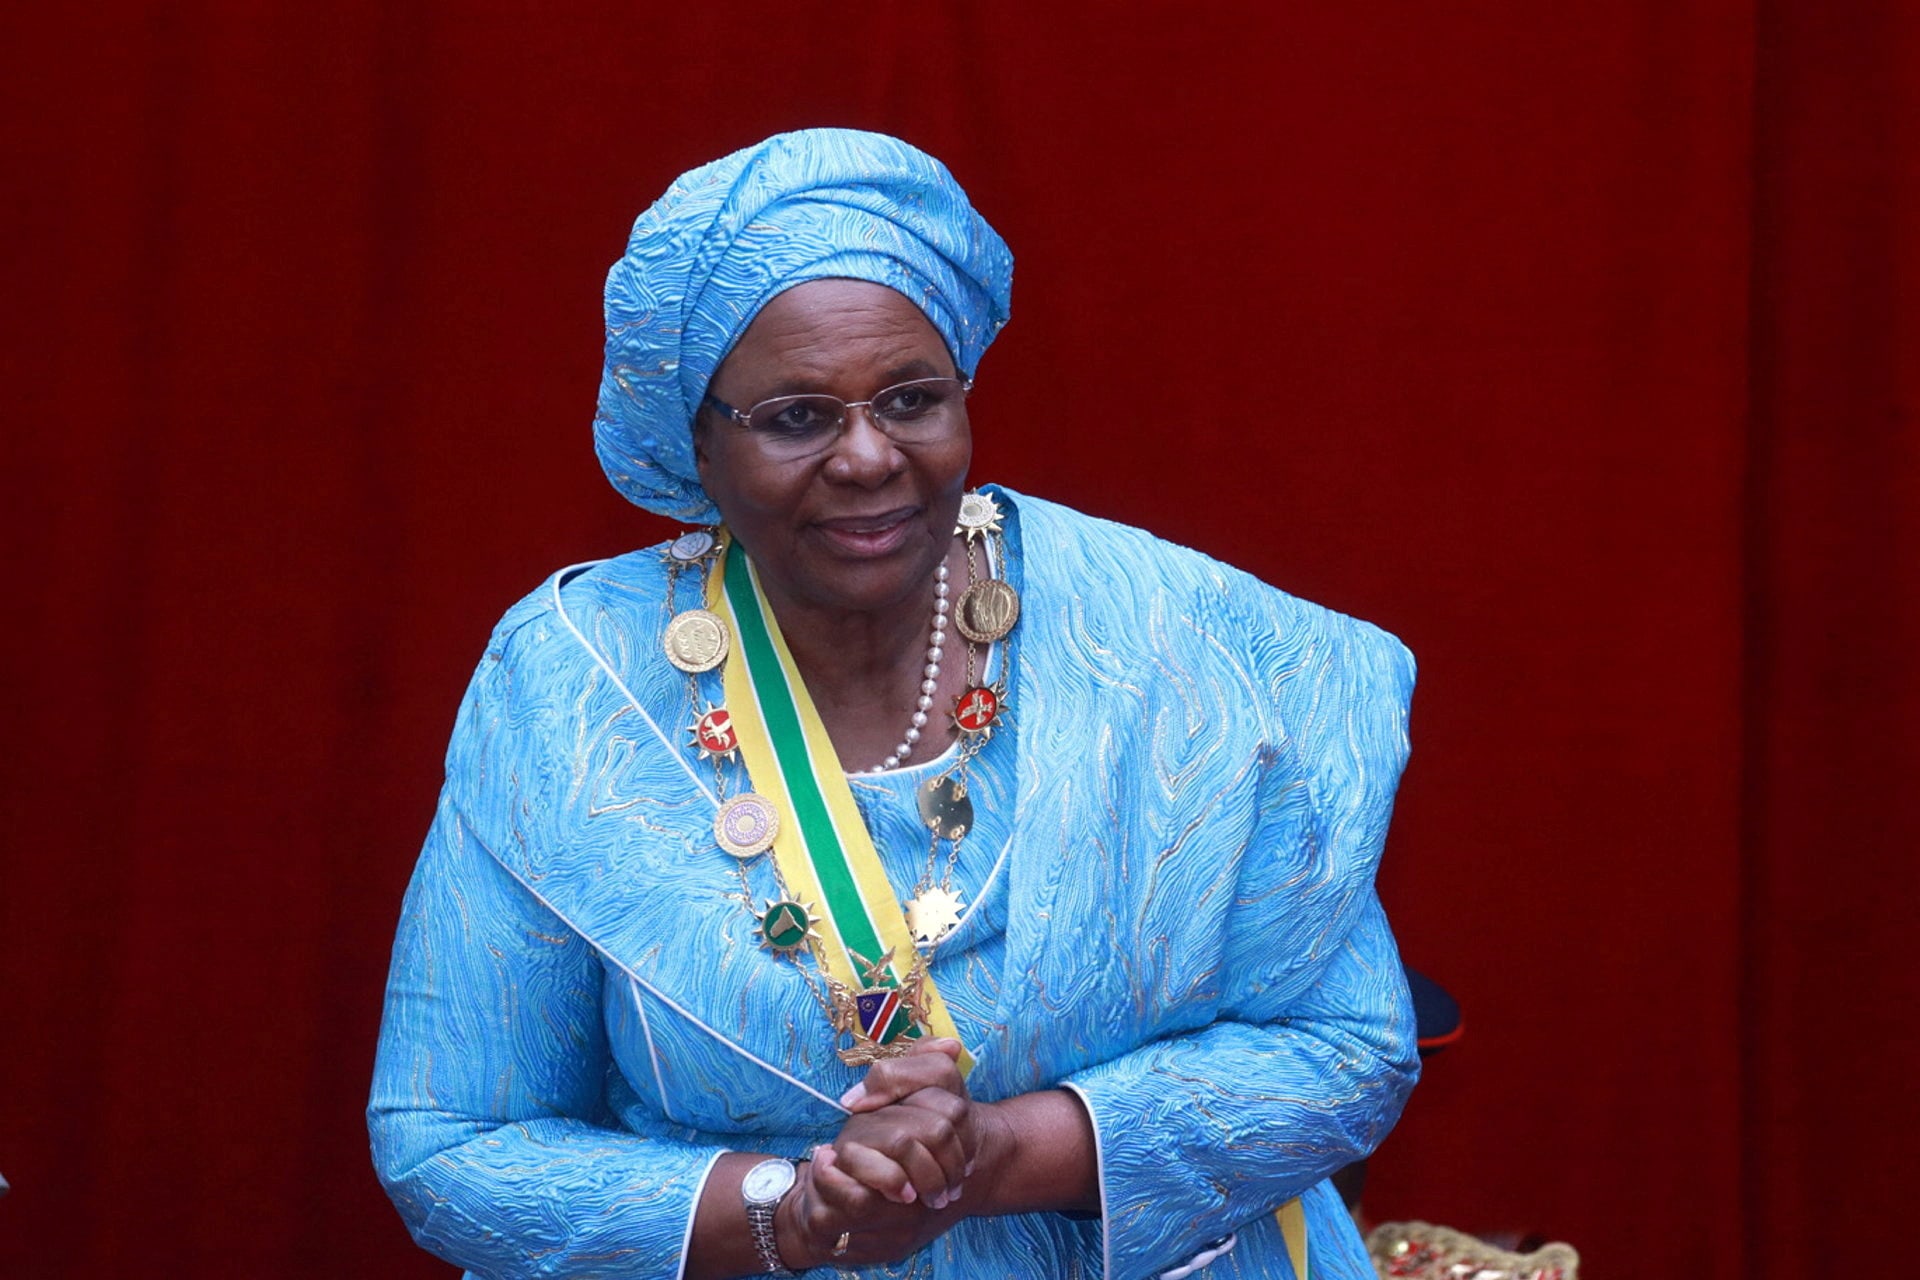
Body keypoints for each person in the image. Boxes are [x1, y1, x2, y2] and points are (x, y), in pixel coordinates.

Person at [369, 127, 1419, 1280]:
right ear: (698, 444)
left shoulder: (1177, 640)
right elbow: (452, 1141)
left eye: (912, 399)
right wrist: (787, 1212)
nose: (869, 457)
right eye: (798, 416)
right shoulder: (575, 679)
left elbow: (1347, 1048)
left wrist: (1002, 1153)